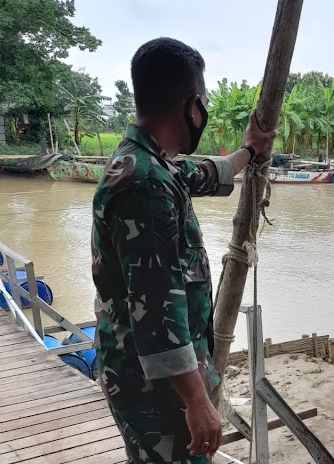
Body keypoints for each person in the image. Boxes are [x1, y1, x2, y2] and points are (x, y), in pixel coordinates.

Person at [91, 37, 276, 463]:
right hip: (157, 392)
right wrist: (196, 401)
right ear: (191, 105)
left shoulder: (147, 162)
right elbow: (155, 311)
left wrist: (249, 150)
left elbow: (202, 174)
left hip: (146, 378)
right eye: (204, 102)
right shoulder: (145, 184)